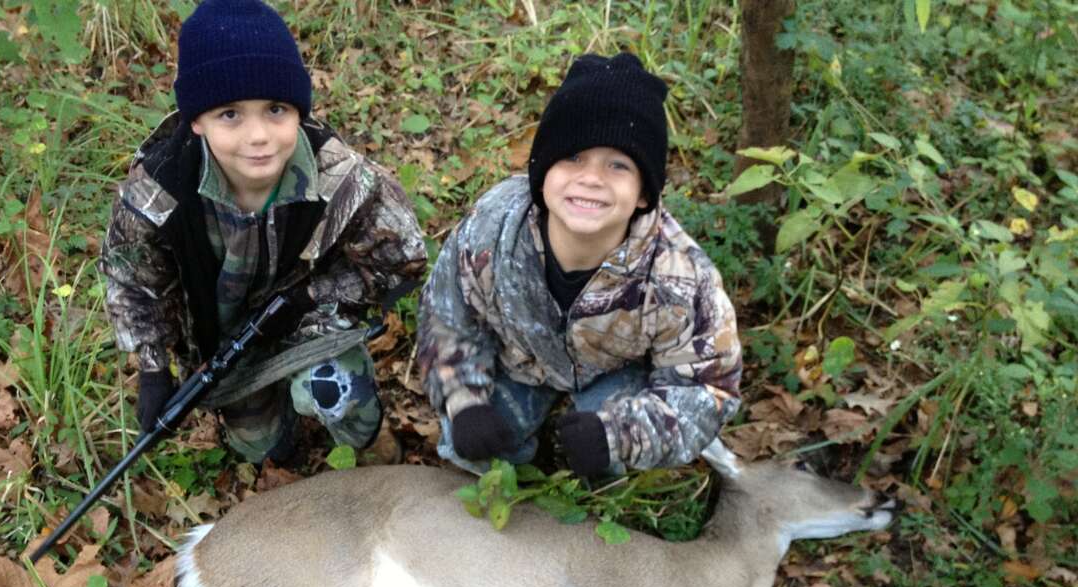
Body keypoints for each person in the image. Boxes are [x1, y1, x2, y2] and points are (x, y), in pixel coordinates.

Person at [101, 0, 425, 465]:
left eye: (275, 109)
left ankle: (373, 444)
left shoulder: (343, 178)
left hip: (312, 325)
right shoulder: (158, 191)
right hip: (227, 348)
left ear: (298, 111)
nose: (258, 136)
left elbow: (402, 258)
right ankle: (282, 447)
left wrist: (308, 301)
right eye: (229, 114)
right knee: (261, 448)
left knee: (334, 389)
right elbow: (133, 282)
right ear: (197, 121)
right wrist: (154, 368)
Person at [416, 52, 741, 477]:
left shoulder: (680, 276)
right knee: (471, 449)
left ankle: (599, 462)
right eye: (573, 157)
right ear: (542, 171)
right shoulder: (492, 228)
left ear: (644, 193)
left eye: (618, 165)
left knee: (609, 471)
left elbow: (708, 387)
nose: (591, 178)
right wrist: (463, 400)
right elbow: (447, 315)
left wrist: (619, 437)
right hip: (520, 364)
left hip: (615, 376)